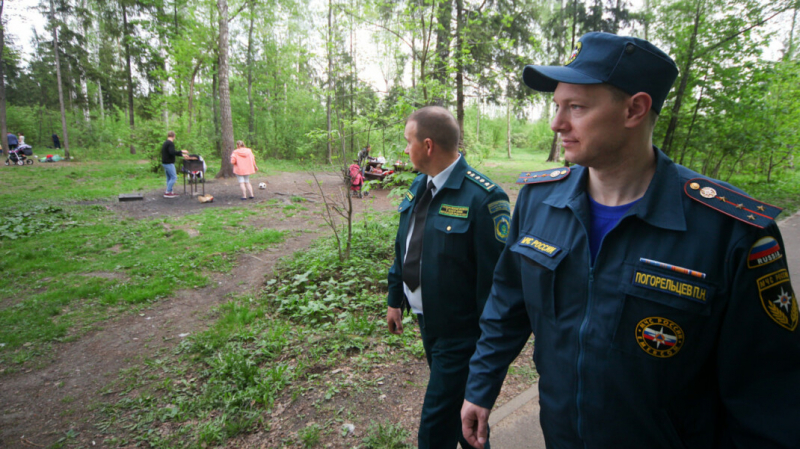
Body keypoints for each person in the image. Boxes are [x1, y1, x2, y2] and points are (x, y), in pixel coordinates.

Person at [461, 32, 799, 449]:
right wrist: (481, 385)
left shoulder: (732, 231)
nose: (556, 123)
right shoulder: (538, 200)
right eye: (557, 106)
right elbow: (507, 301)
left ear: (635, 109)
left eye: (577, 107)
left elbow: (767, 397)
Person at [387, 106, 510, 449]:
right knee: (461, 414)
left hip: (462, 336)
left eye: (408, 142)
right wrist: (395, 299)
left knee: (435, 425)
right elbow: (404, 247)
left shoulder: (483, 198)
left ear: (428, 145)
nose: (405, 150)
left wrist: (488, 348)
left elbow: (497, 283)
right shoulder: (419, 186)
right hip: (428, 325)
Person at [161, 131, 189, 198]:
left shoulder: (165, 143)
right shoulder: (170, 143)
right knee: (174, 177)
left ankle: (170, 191)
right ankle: (167, 192)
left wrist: (182, 154)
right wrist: (182, 152)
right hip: (169, 163)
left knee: (169, 178)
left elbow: (171, 152)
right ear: (174, 136)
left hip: (164, 162)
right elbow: (172, 152)